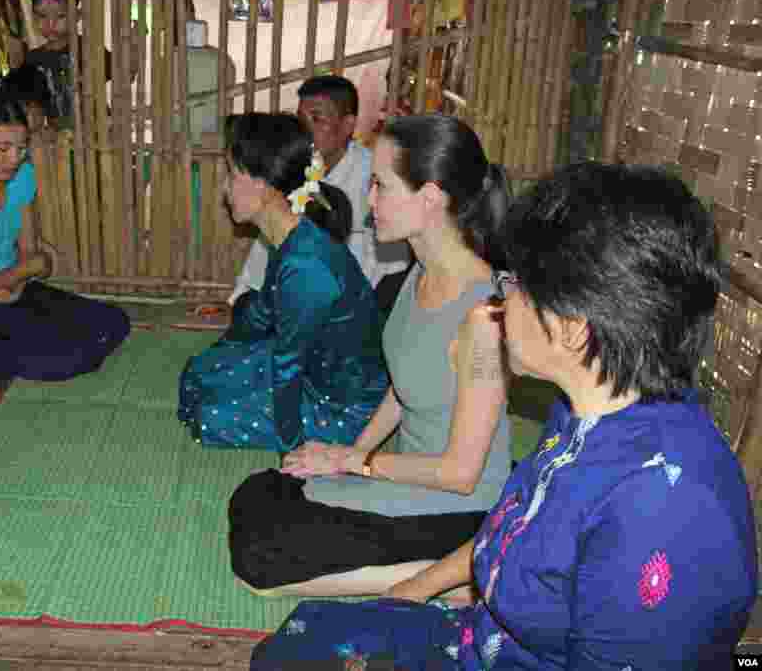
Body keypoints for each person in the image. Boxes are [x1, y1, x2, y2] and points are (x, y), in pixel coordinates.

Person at [249, 161, 758, 670]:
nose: (500, 298)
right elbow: (512, 526)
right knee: (308, 630)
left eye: (515, 284)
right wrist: (410, 591)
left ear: (573, 327)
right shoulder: (585, 416)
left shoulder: (662, 509)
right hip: (484, 639)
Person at [229, 114, 512, 597]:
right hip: (409, 478)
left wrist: (355, 462)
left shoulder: (485, 315)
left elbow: (461, 475)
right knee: (259, 494)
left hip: (461, 507)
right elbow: (401, 390)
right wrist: (347, 456)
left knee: (262, 558)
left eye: (380, 185)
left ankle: (459, 577)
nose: (369, 200)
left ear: (429, 198)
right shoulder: (417, 273)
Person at [177, 112, 389, 452]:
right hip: (309, 369)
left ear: (262, 183)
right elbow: (261, 314)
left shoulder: (307, 266)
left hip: (341, 405)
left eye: (231, 175)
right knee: (198, 374)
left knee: (208, 417)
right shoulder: (292, 236)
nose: (224, 187)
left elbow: (288, 367)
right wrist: (223, 353)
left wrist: (294, 448)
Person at [0, 87, 130, 382]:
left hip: (16, 288)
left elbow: (29, 250)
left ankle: (2, 345)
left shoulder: (21, 177)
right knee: (65, 359)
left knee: (115, 321)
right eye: (2, 148)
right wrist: (29, 269)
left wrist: (22, 275)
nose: (14, 158)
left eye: (22, 148)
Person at [228, 75, 410, 312]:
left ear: (347, 126)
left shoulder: (374, 180)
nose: (306, 129)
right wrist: (242, 298)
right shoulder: (292, 171)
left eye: (317, 119)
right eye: (301, 120)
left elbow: (392, 273)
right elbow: (269, 245)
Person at [24, 0, 135, 121]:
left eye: (60, 16)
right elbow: (34, 107)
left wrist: (133, 46)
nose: (50, 24)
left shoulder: (90, 49)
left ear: (76, 16)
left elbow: (125, 76)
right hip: (60, 136)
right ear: (33, 16)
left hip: (98, 131)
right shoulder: (33, 59)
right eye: (42, 16)